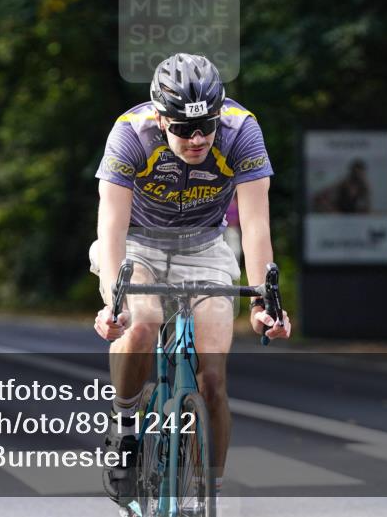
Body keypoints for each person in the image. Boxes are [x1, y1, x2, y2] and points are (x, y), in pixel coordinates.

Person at [90, 53, 291, 511]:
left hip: (205, 247)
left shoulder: (242, 130)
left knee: (213, 379)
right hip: (138, 243)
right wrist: (113, 303)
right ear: (161, 119)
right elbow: (112, 226)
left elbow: (257, 225)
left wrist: (265, 303)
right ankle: (124, 428)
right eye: (183, 129)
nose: (198, 139)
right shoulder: (130, 133)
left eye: (206, 127)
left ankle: (208, 493)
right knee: (141, 322)